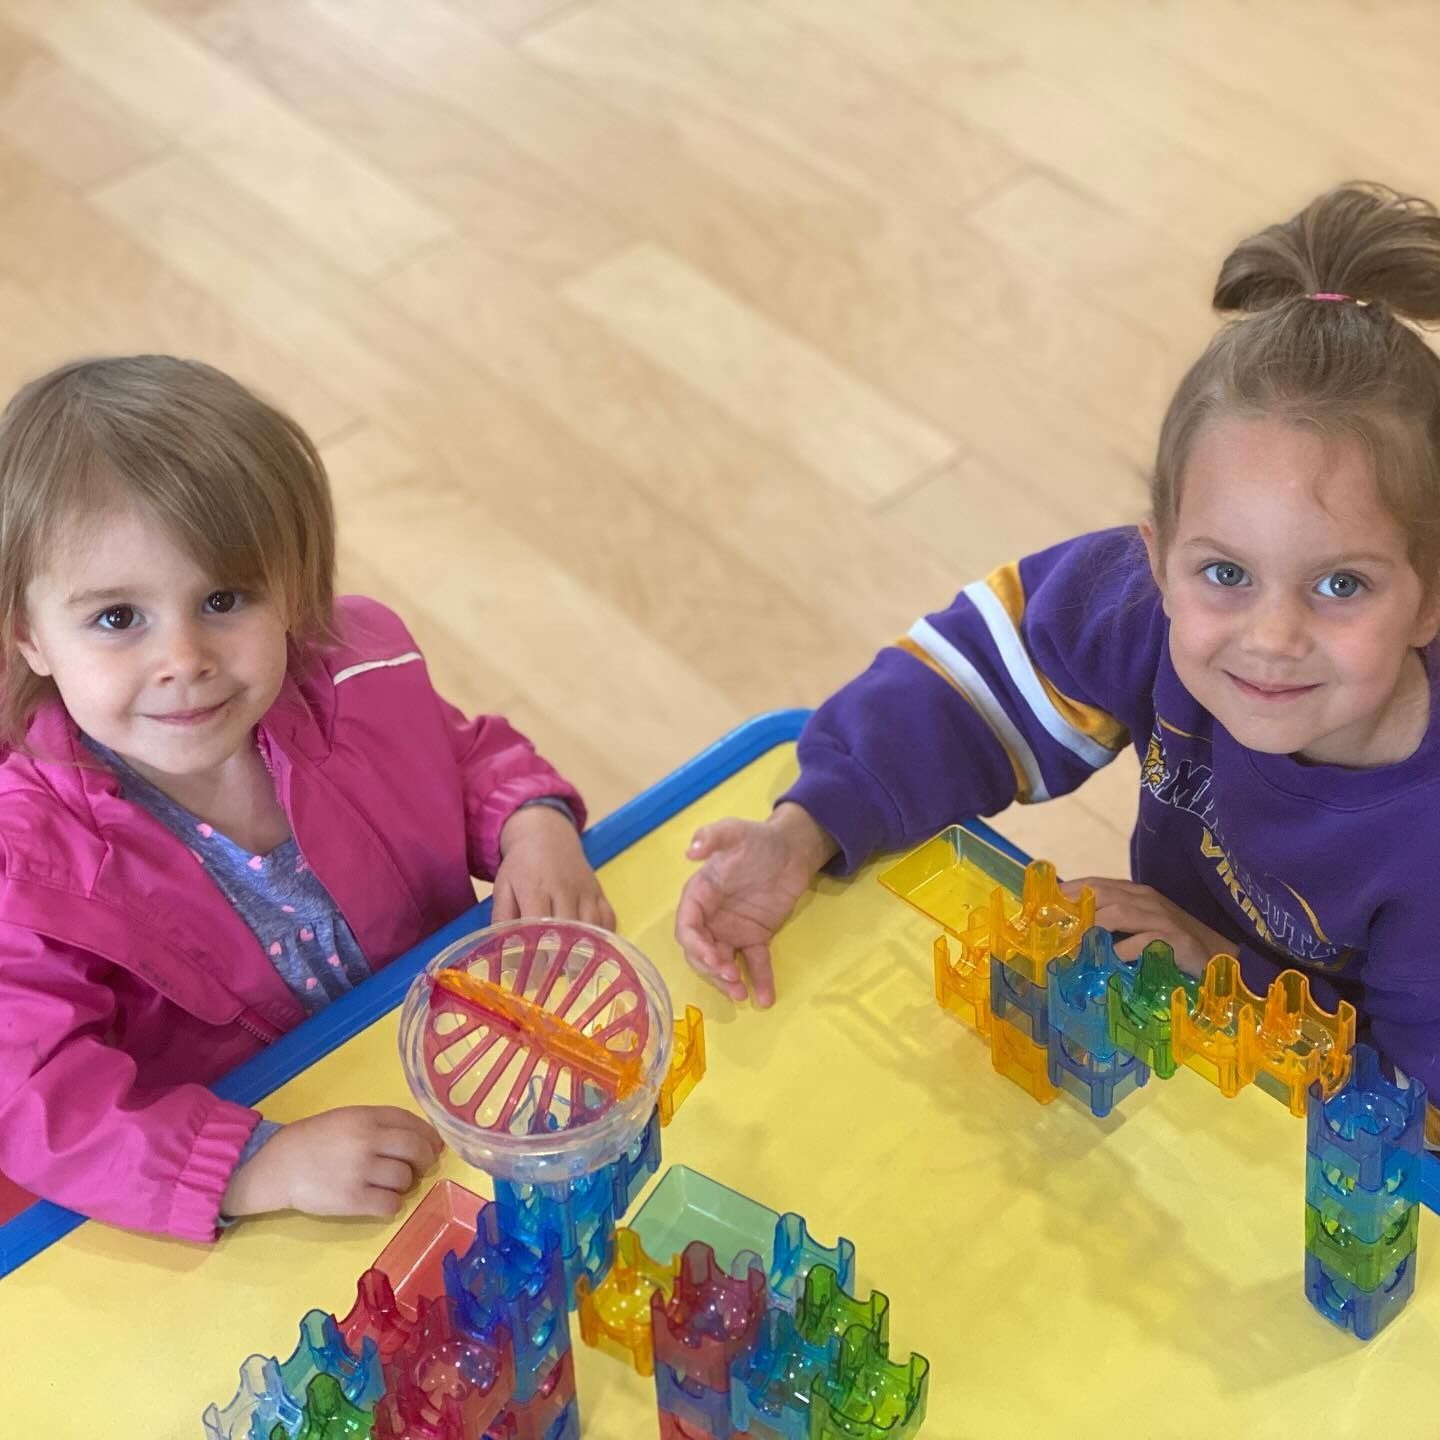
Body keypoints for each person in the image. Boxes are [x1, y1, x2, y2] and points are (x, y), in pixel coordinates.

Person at [677, 182, 1440, 1112]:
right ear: (1156, 561)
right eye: (1225, 574)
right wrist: (806, 829)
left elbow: (1415, 1108)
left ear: (1430, 597)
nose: (1271, 637)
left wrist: (1221, 974)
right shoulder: (1140, 608)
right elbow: (969, 690)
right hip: (1176, 1046)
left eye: (1340, 586)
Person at [0, 355, 614, 1240]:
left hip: (463, 1072)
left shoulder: (356, 673)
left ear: (291, 585)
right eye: (117, 618)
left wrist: (535, 824)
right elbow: (37, 1100)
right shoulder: (28, 860)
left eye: (223, 598)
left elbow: (465, 758)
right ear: (31, 637)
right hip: (269, 1190)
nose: (184, 659)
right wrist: (251, 1164)